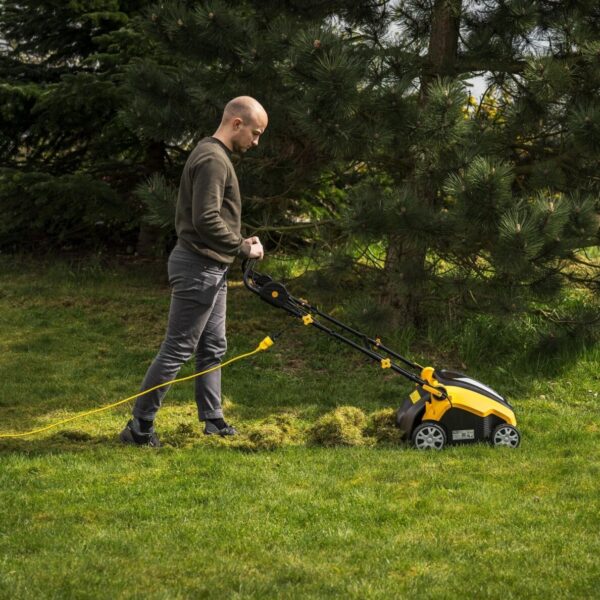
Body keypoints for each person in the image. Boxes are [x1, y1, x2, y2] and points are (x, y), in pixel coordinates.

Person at [120, 96, 268, 447]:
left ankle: (213, 419)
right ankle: (139, 428)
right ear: (236, 123)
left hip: (212, 264)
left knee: (214, 345)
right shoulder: (214, 159)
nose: (256, 142)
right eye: (255, 133)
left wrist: (236, 240)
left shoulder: (209, 152)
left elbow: (211, 218)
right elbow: (205, 219)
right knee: (178, 348)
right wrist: (244, 247)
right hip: (198, 266)